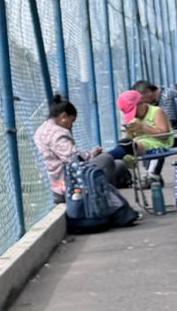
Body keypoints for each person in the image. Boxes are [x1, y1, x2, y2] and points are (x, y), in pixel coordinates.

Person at [33, 95, 135, 223]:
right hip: (67, 182)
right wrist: (92, 155)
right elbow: (74, 159)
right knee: (107, 159)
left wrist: (91, 154)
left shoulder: (43, 129)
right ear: (64, 116)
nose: (71, 126)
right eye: (71, 121)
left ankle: (113, 202)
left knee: (118, 165)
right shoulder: (57, 133)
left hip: (56, 182)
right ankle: (104, 206)